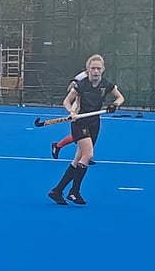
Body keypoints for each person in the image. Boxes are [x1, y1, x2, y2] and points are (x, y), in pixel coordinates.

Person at [48, 54, 125, 205]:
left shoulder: (106, 84)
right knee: (88, 155)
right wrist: (71, 112)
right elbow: (67, 101)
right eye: (93, 68)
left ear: (103, 70)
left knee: (77, 160)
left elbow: (120, 98)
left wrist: (114, 105)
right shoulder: (81, 85)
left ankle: (57, 191)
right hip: (80, 122)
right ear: (87, 70)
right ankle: (74, 192)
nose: (95, 71)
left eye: (98, 68)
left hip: (94, 122)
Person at [51, 70, 95, 165]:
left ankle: (84, 155)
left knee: (86, 134)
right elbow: (70, 88)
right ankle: (58, 146)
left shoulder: (98, 79)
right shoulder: (82, 76)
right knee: (81, 134)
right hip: (78, 109)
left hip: (89, 110)